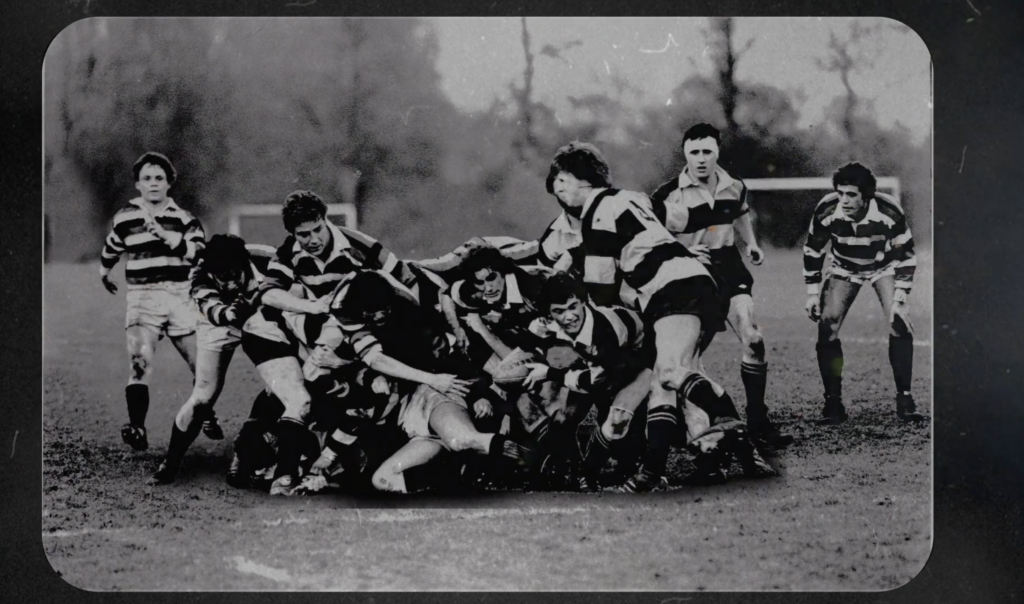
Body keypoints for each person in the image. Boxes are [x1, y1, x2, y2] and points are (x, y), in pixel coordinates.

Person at [546, 141, 776, 491]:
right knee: (668, 377)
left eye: (563, 181)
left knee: (669, 373)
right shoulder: (633, 197)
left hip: (672, 292)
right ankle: (662, 471)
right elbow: (684, 218)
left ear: (583, 180)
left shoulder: (595, 219)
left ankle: (727, 429)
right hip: (699, 283)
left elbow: (602, 295)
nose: (559, 190)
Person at [239, 190, 424, 496]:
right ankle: (267, 452)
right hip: (325, 331)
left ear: (325, 220)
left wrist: (403, 327)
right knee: (305, 387)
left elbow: (406, 279)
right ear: (291, 233)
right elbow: (269, 293)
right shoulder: (289, 252)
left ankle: (316, 460)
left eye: (317, 230)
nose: (312, 239)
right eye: (303, 235)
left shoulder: (358, 245)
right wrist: (313, 307)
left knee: (364, 391)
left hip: (364, 331)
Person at [649, 123, 792, 449]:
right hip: (688, 275)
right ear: (685, 153)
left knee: (754, 339)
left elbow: (741, 214)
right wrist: (682, 249)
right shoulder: (668, 193)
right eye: (694, 152)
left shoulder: (733, 186)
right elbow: (650, 237)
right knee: (685, 359)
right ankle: (685, 425)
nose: (701, 159)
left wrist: (751, 244)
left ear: (717, 153)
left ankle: (757, 420)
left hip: (728, 267)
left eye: (707, 152)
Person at [330, 270, 534, 494]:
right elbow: (372, 364)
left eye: (383, 309)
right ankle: (466, 475)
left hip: (433, 393)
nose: (378, 316)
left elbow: (454, 360)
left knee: (462, 439)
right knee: (383, 479)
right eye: (370, 311)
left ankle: (538, 463)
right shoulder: (349, 336)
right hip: (412, 419)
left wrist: (479, 394)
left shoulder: (415, 321)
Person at [99, 152, 215, 451]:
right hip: (143, 297)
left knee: (202, 365)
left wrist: (164, 234)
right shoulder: (125, 217)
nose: (153, 184)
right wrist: (104, 271)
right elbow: (113, 246)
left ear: (169, 184)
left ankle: (205, 413)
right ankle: (137, 427)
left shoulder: (185, 219)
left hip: (180, 296)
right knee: (139, 362)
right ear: (138, 184)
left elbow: (198, 254)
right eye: (147, 178)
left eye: (159, 178)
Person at [148, 234, 276, 484]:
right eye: (222, 279)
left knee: (278, 386)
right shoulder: (200, 275)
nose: (228, 285)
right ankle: (171, 463)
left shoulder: (267, 259)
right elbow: (217, 312)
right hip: (219, 324)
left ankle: (246, 453)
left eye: (234, 276)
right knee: (203, 396)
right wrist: (232, 310)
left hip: (263, 318)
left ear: (245, 264)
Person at [803, 162, 924, 424]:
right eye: (841, 193)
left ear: (865, 195)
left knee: (898, 324)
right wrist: (813, 292)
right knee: (827, 325)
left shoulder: (888, 210)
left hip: (884, 266)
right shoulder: (826, 209)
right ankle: (833, 404)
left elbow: (905, 254)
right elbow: (813, 249)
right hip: (844, 267)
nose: (844, 200)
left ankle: (905, 399)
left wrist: (901, 300)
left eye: (851, 194)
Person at [523, 273, 653, 491]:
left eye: (573, 306)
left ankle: (627, 468)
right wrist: (533, 337)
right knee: (564, 415)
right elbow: (533, 338)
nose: (568, 316)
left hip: (644, 360)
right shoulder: (548, 323)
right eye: (559, 311)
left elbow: (599, 381)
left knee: (617, 417)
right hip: (603, 364)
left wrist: (550, 373)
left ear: (584, 301)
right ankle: (567, 468)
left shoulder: (605, 331)